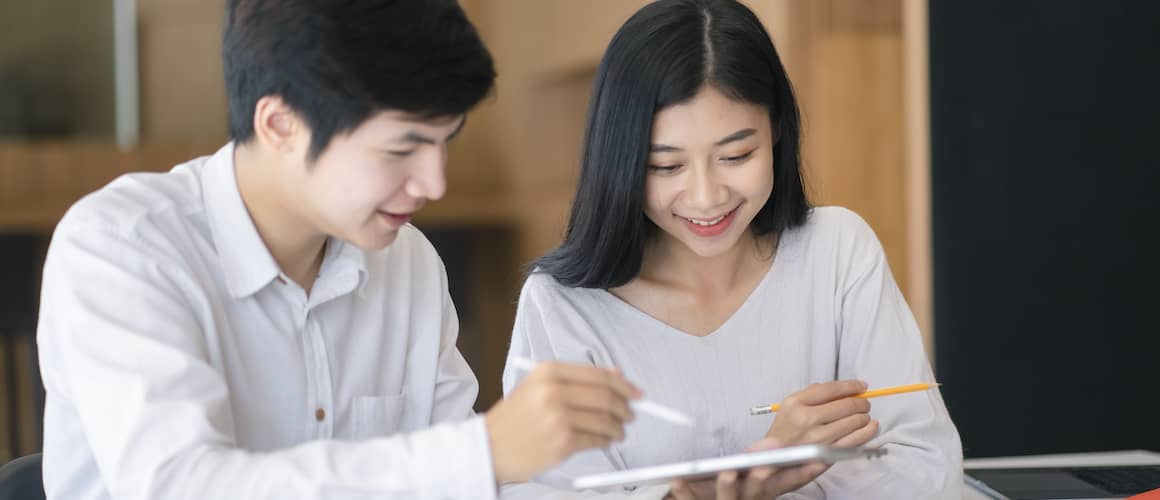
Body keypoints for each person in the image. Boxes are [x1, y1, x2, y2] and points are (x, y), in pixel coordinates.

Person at [36, 1, 640, 498]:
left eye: (444, 142)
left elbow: (471, 481)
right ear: (280, 125)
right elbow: (181, 485)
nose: (434, 184)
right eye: (402, 149)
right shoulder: (123, 248)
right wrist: (480, 452)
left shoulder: (407, 261)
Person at [500, 0, 963, 498]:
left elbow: (925, 467)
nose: (706, 197)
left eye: (736, 155)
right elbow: (545, 491)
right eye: (666, 166)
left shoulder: (838, 254)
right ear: (620, 161)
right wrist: (754, 476)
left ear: (778, 131)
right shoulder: (563, 305)